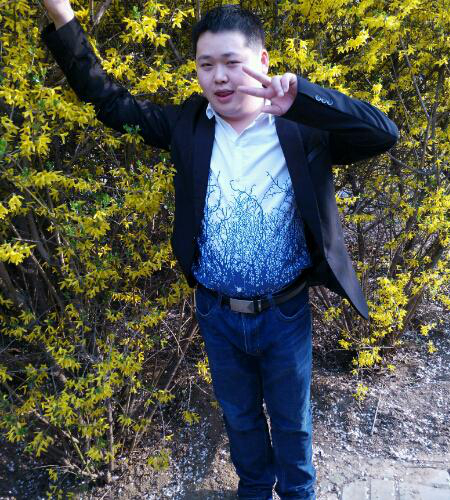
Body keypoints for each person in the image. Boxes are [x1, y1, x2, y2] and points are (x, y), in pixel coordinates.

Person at [41, 2, 399, 499]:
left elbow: (383, 133)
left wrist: (303, 99)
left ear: (263, 61)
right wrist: (64, 19)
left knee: (292, 421)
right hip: (216, 312)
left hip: (285, 311)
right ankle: (254, 489)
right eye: (206, 64)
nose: (220, 77)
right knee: (239, 417)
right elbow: (110, 103)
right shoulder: (188, 125)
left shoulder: (302, 128)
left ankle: (299, 494)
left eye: (232, 62)